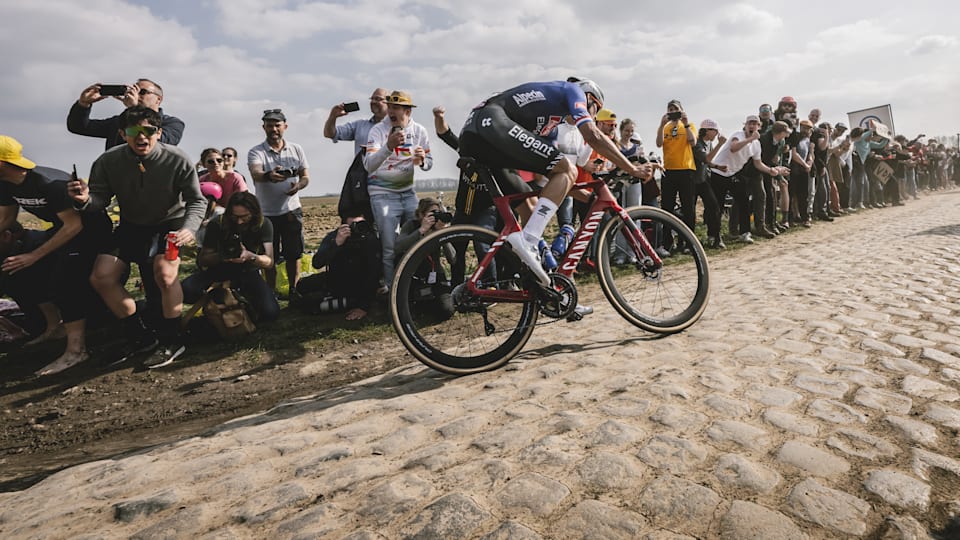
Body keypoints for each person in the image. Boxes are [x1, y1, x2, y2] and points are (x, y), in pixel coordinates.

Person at [457, 77, 650, 287]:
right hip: (491, 123)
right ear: (590, 99)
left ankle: (550, 288)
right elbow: (593, 136)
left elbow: (551, 177)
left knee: (529, 207)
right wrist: (631, 168)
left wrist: (586, 197)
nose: (592, 117)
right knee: (568, 167)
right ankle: (528, 241)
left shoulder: (550, 126)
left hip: (479, 135)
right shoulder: (573, 90)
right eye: (595, 110)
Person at [70, 106, 206, 369]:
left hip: (171, 223)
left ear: (159, 133)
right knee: (101, 277)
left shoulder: (177, 159)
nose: (141, 137)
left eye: (149, 131)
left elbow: (196, 200)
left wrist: (189, 228)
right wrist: (84, 200)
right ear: (122, 134)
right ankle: (139, 336)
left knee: (165, 275)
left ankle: (172, 338)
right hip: (132, 225)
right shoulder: (108, 161)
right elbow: (99, 200)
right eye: (133, 131)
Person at [0, 135, 113, 375]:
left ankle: (76, 351)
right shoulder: (5, 184)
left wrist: (33, 256)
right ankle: (54, 328)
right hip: (62, 230)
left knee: (65, 280)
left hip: (91, 231)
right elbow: (6, 219)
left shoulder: (47, 182)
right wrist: (30, 258)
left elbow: (75, 226)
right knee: (18, 270)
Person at [363, 90, 433, 289]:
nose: (390, 111)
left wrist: (422, 161)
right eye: (390, 107)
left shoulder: (419, 131)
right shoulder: (378, 131)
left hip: (408, 193)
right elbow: (369, 165)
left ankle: (417, 285)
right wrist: (387, 147)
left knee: (419, 238)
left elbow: (429, 162)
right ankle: (391, 288)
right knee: (389, 246)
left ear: (408, 111)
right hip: (382, 195)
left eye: (396, 108)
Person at [182, 192, 279, 324]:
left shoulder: (264, 224)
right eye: (235, 217)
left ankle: (246, 304)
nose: (239, 221)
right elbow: (203, 259)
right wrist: (222, 256)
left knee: (270, 313)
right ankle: (216, 301)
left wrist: (251, 257)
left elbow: (269, 262)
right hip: (219, 269)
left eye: (244, 217)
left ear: (254, 213)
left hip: (248, 270)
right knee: (186, 289)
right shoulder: (217, 223)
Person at [247, 109, 310, 295]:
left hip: (291, 210)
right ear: (263, 127)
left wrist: (299, 186)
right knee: (269, 256)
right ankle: (270, 292)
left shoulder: (296, 149)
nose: (273, 129)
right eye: (269, 125)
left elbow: (305, 176)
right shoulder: (256, 151)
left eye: (277, 125)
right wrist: (268, 175)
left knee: (293, 254)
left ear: (285, 126)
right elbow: (256, 173)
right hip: (266, 213)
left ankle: (294, 289)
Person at [710, 115, 789, 243]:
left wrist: (771, 170)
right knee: (717, 206)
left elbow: (758, 163)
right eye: (749, 123)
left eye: (755, 123)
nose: (752, 126)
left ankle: (744, 233)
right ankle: (714, 236)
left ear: (759, 126)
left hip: (733, 173)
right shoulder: (738, 135)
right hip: (718, 172)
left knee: (743, 202)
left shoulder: (756, 144)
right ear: (745, 125)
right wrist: (750, 139)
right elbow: (733, 147)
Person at [295, 207, 381, 321]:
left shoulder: (370, 239)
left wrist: (363, 307)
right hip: (335, 279)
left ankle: (350, 302)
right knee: (301, 286)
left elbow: (373, 274)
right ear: (344, 226)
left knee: (309, 303)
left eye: (361, 224)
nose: (357, 229)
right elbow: (317, 263)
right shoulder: (334, 237)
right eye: (352, 226)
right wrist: (336, 244)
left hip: (358, 285)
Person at [67, 79, 185, 150]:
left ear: (158, 99)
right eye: (134, 90)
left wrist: (134, 109)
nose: (137, 95)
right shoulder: (118, 122)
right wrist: (83, 104)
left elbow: (158, 143)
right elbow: (79, 127)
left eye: (142, 92)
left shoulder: (173, 123)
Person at [394, 197, 454, 319]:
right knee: (411, 311)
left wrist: (442, 234)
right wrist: (421, 230)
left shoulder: (438, 228)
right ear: (421, 214)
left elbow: (453, 259)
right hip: (416, 275)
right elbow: (398, 247)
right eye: (432, 214)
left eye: (438, 213)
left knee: (446, 310)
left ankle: (427, 304)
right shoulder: (412, 225)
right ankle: (420, 304)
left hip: (435, 274)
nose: (436, 217)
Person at [655, 99, 697, 251]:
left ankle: (688, 242)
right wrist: (661, 125)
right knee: (667, 207)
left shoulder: (689, 125)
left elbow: (693, 142)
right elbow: (659, 144)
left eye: (676, 109)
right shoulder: (665, 128)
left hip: (686, 170)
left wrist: (685, 123)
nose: (673, 112)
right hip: (669, 171)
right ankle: (667, 242)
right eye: (670, 109)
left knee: (688, 208)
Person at [324, 88, 390, 154]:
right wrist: (333, 116)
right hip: (362, 164)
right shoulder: (360, 126)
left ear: (389, 103)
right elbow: (329, 134)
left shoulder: (396, 127)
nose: (373, 102)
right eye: (372, 99)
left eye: (378, 99)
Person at [692, 120, 725, 249]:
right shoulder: (697, 144)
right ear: (708, 131)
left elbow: (708, 162)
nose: (716, 134)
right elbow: (706, 159)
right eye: (715, 131)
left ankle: (715, 236)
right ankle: (690, 241)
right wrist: (719, 145)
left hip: (704, 180)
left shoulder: (708, 144)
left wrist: (717, 166)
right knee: (690, 212)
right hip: (693, 181)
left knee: (714, 207)